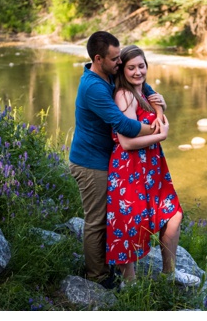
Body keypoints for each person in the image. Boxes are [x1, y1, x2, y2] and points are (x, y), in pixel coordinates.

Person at [69, 31, 167, 289]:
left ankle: (109, 265)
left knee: (111, 217)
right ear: (98, 59)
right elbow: (124, 125)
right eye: (116, 60)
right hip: (90, 163)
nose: (121, 64)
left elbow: (142, 85)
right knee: (97, 221)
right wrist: (159, 131)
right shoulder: (94, 87)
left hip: (107, 159)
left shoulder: (109, 72)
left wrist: (158, 106)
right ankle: (98, 277)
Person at [106, 45, 200, 287]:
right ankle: (131, 282)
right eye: (131, 67)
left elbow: (157, 121)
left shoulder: (146, 93)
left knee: (173, 214)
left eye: (141, 66)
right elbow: (127, 142)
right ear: (122, 70)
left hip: (151, 166)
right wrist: (161, 136)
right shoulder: (124, 96)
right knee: (131, 220)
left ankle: (170, 273)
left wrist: (160, 106)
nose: (138, 72)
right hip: (130, 167)